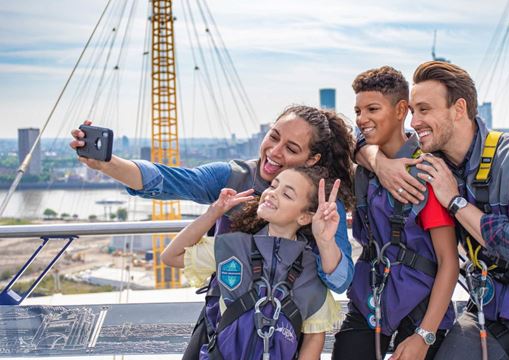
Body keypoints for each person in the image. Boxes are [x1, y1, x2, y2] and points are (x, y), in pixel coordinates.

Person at [357, 61, 509, 360]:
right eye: (414, 111)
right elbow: (360, 139)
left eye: (424, 110)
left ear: (459, 109)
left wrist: (455, 202)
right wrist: (379, 162)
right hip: (492, 307)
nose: (414, 122)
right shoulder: (435, 160)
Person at [69, 105, 355, 293]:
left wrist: (325, 240)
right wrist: (107, 164)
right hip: (229, 318)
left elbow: (340, 281)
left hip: (287, 324)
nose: (275, 151)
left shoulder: (322, 202)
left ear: (312, 158)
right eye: (274, 137)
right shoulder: (232, 177)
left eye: (291, 148)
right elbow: (166, 180)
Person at [332, 66, 458, 360]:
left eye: (372, 109)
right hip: (370, 303)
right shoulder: (363, 169)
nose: (362, 119)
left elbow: (448, 262)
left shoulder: (426, 173)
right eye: (358, 110)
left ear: (402, 109)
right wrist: (377, 162)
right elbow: (343, 142)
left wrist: (424, 336)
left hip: (422, 310)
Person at [161, 166, 343, 360]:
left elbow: (314, 337)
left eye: (287, 194)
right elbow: (171, 256)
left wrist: (325, 240)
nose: (272, 194)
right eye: (273, 185)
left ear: (304, 216)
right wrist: (213, 213)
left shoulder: (310, 270)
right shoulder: (232, 248)